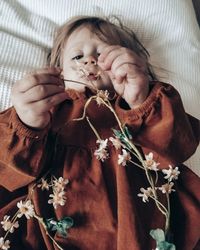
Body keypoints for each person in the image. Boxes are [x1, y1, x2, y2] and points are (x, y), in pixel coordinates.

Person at [0, 16, 199, 250]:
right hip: (52, 226)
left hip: (136, 222)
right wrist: (27, 122)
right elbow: (9, 171)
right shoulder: (48, 112)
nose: (90, 60)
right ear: (59, 72)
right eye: (77, 56)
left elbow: (176, 146)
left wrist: (140, 99)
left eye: (106, 56)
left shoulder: (140, 107)